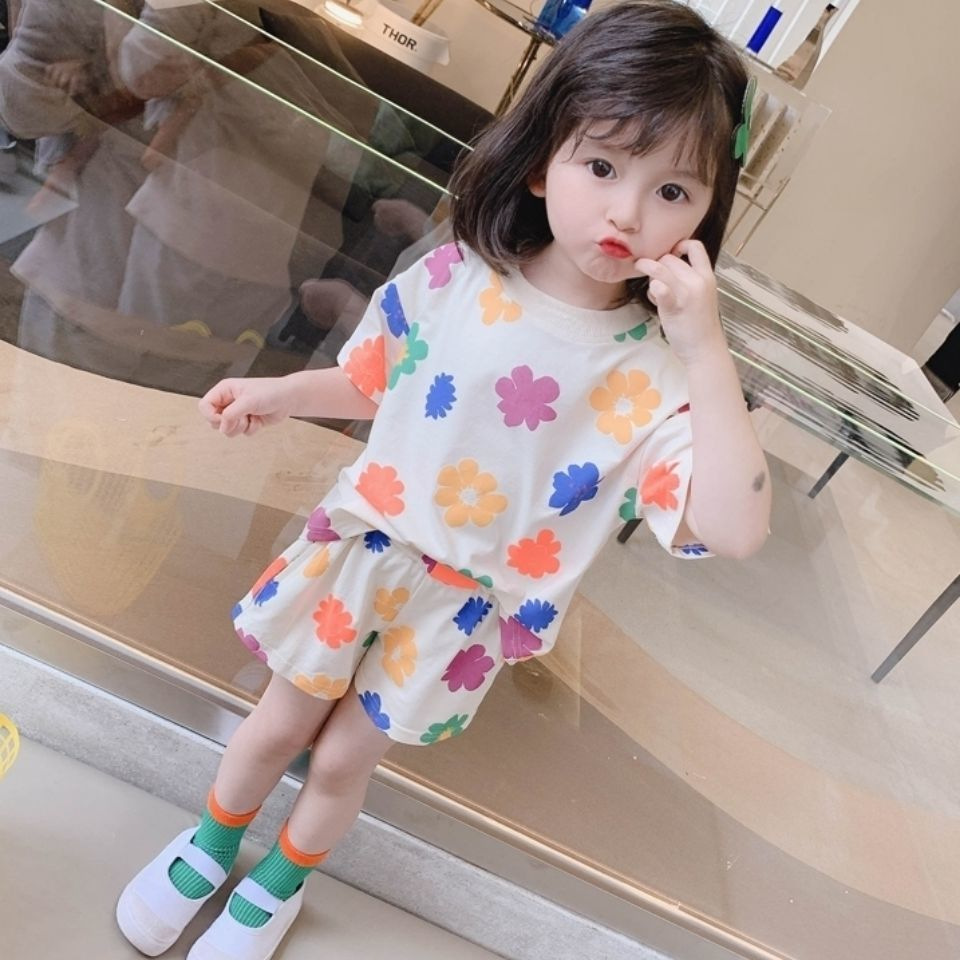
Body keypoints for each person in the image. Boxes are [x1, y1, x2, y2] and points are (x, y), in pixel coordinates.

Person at [116, 3, 772, 958]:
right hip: (361, 555)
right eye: (601, 167)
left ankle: (279, 884)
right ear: (544, 159)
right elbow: (376, 376)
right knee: (278, 722)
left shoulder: (660, 376)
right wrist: (280, 392)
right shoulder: (459, 272)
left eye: (673, 190)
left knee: (344, 759)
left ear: (706, 215)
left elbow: (735, 528)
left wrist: (706, 348)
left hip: (461, 609)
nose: (629, 214)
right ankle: (210, 844)